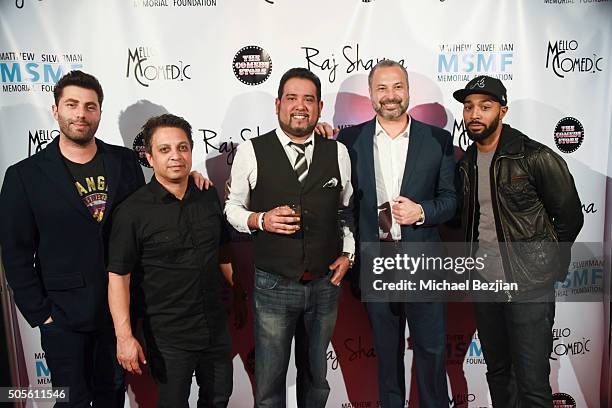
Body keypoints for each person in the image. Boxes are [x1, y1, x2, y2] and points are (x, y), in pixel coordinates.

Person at [0, 70, 144, 407]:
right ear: (55, 110)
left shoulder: (123, 161)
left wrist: (187, 179)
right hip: (62, 317)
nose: (81, 114)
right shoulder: (24, 175)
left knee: (112, 397)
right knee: (71, 401)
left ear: (99, 113)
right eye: (72, 105)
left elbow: (145, 219)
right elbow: (16, 253)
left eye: (90, 107)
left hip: (118, 313)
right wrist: (42, 314)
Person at [225, 67, 355, 408]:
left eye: (309, 99)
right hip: (274, 284)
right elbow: (232, 208)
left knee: (316, 379)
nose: (301, 106)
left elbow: (346, 211)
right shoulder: (251, 151)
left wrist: (349, 253)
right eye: (293, 98)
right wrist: (260, 219)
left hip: (325, 284)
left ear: (320, 106)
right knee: (269, 383)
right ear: (278, 104)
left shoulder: (337, 153)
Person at [453, 75, 583, 407]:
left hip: (529, 287)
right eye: (468, 107)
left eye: (485, 106)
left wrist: (546, 264)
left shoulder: (533, 156)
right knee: (497, 374)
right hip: (485, 285)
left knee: (532, 384)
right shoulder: (466, 164)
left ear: (503, 110)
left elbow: (570, 216)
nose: (474, 114)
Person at [336, 59, 456, 408]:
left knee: (432, 353)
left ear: (408, 91)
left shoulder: (437, 140)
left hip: (425, 265)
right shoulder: (349, 139)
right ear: (371, 94)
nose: (390, 96)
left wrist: (422, 212)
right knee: (387, 358)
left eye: (397, 87)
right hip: (377, 266)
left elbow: (451, 200)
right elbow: (345, 205)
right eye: (382, 88)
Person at [107, 114, 246, 408]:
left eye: (182, 148)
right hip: (167, 336)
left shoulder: (207, 196)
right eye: (165, 149)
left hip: (214, 327)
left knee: (219, 398)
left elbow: (222, 250)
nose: (175, 157)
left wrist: (238, 292)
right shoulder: (132, 212)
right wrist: (124, 337)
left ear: (191, 151)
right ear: (149, 156)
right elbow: (119, 276)